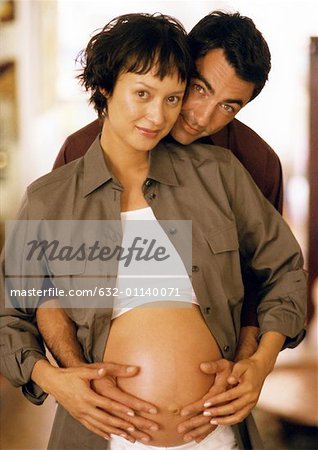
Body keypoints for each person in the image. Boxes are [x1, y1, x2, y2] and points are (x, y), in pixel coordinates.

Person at [0, 11, 306, 450]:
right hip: (104, 433)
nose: (175, 115)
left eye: (172, 98)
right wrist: (60, 378)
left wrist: (255, 364)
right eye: (143, 93)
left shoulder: (231, 169)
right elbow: (28, 301)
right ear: (107, 88)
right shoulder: (56, 188)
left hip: (215, 432)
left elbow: (277, 276)